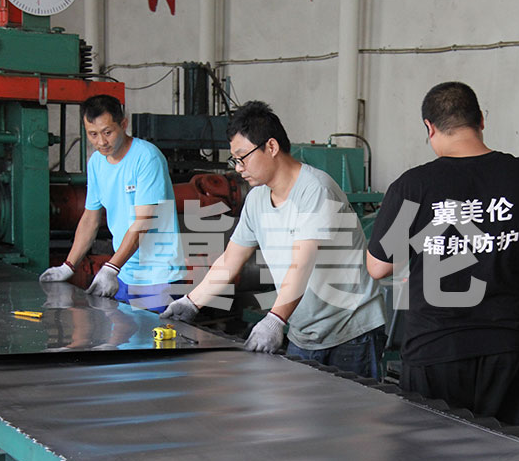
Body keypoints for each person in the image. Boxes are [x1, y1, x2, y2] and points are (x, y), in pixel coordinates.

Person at [366, 82, 519, 428]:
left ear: (429, 128)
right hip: (505, 348)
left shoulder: (414, 186)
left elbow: (377, 266)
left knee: (430, 453)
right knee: (505, 450)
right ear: (481, 121)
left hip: (434, 349)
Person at [161, 100, 386, 378]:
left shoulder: (315, 190)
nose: (238, 168)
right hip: (304, 332)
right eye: (235, 160)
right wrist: (191, 302)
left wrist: (274, 319)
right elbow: (231, 260)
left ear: (271, 146)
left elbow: (302, 264)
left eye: (243, 157)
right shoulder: (256, 199)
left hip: (350, 331)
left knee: (350, 406)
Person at [39, 95, 185, 313]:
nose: (101, 142)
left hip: (158, 276)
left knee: (154, 335)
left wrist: (110, 268)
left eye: (107, 132)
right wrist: (68, 266)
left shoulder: (147, 158)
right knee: (123, 334)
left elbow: (143, 223)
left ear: (123, 124)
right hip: (123, 274)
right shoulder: (96, 163)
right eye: (93, 134)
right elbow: (90, 218)